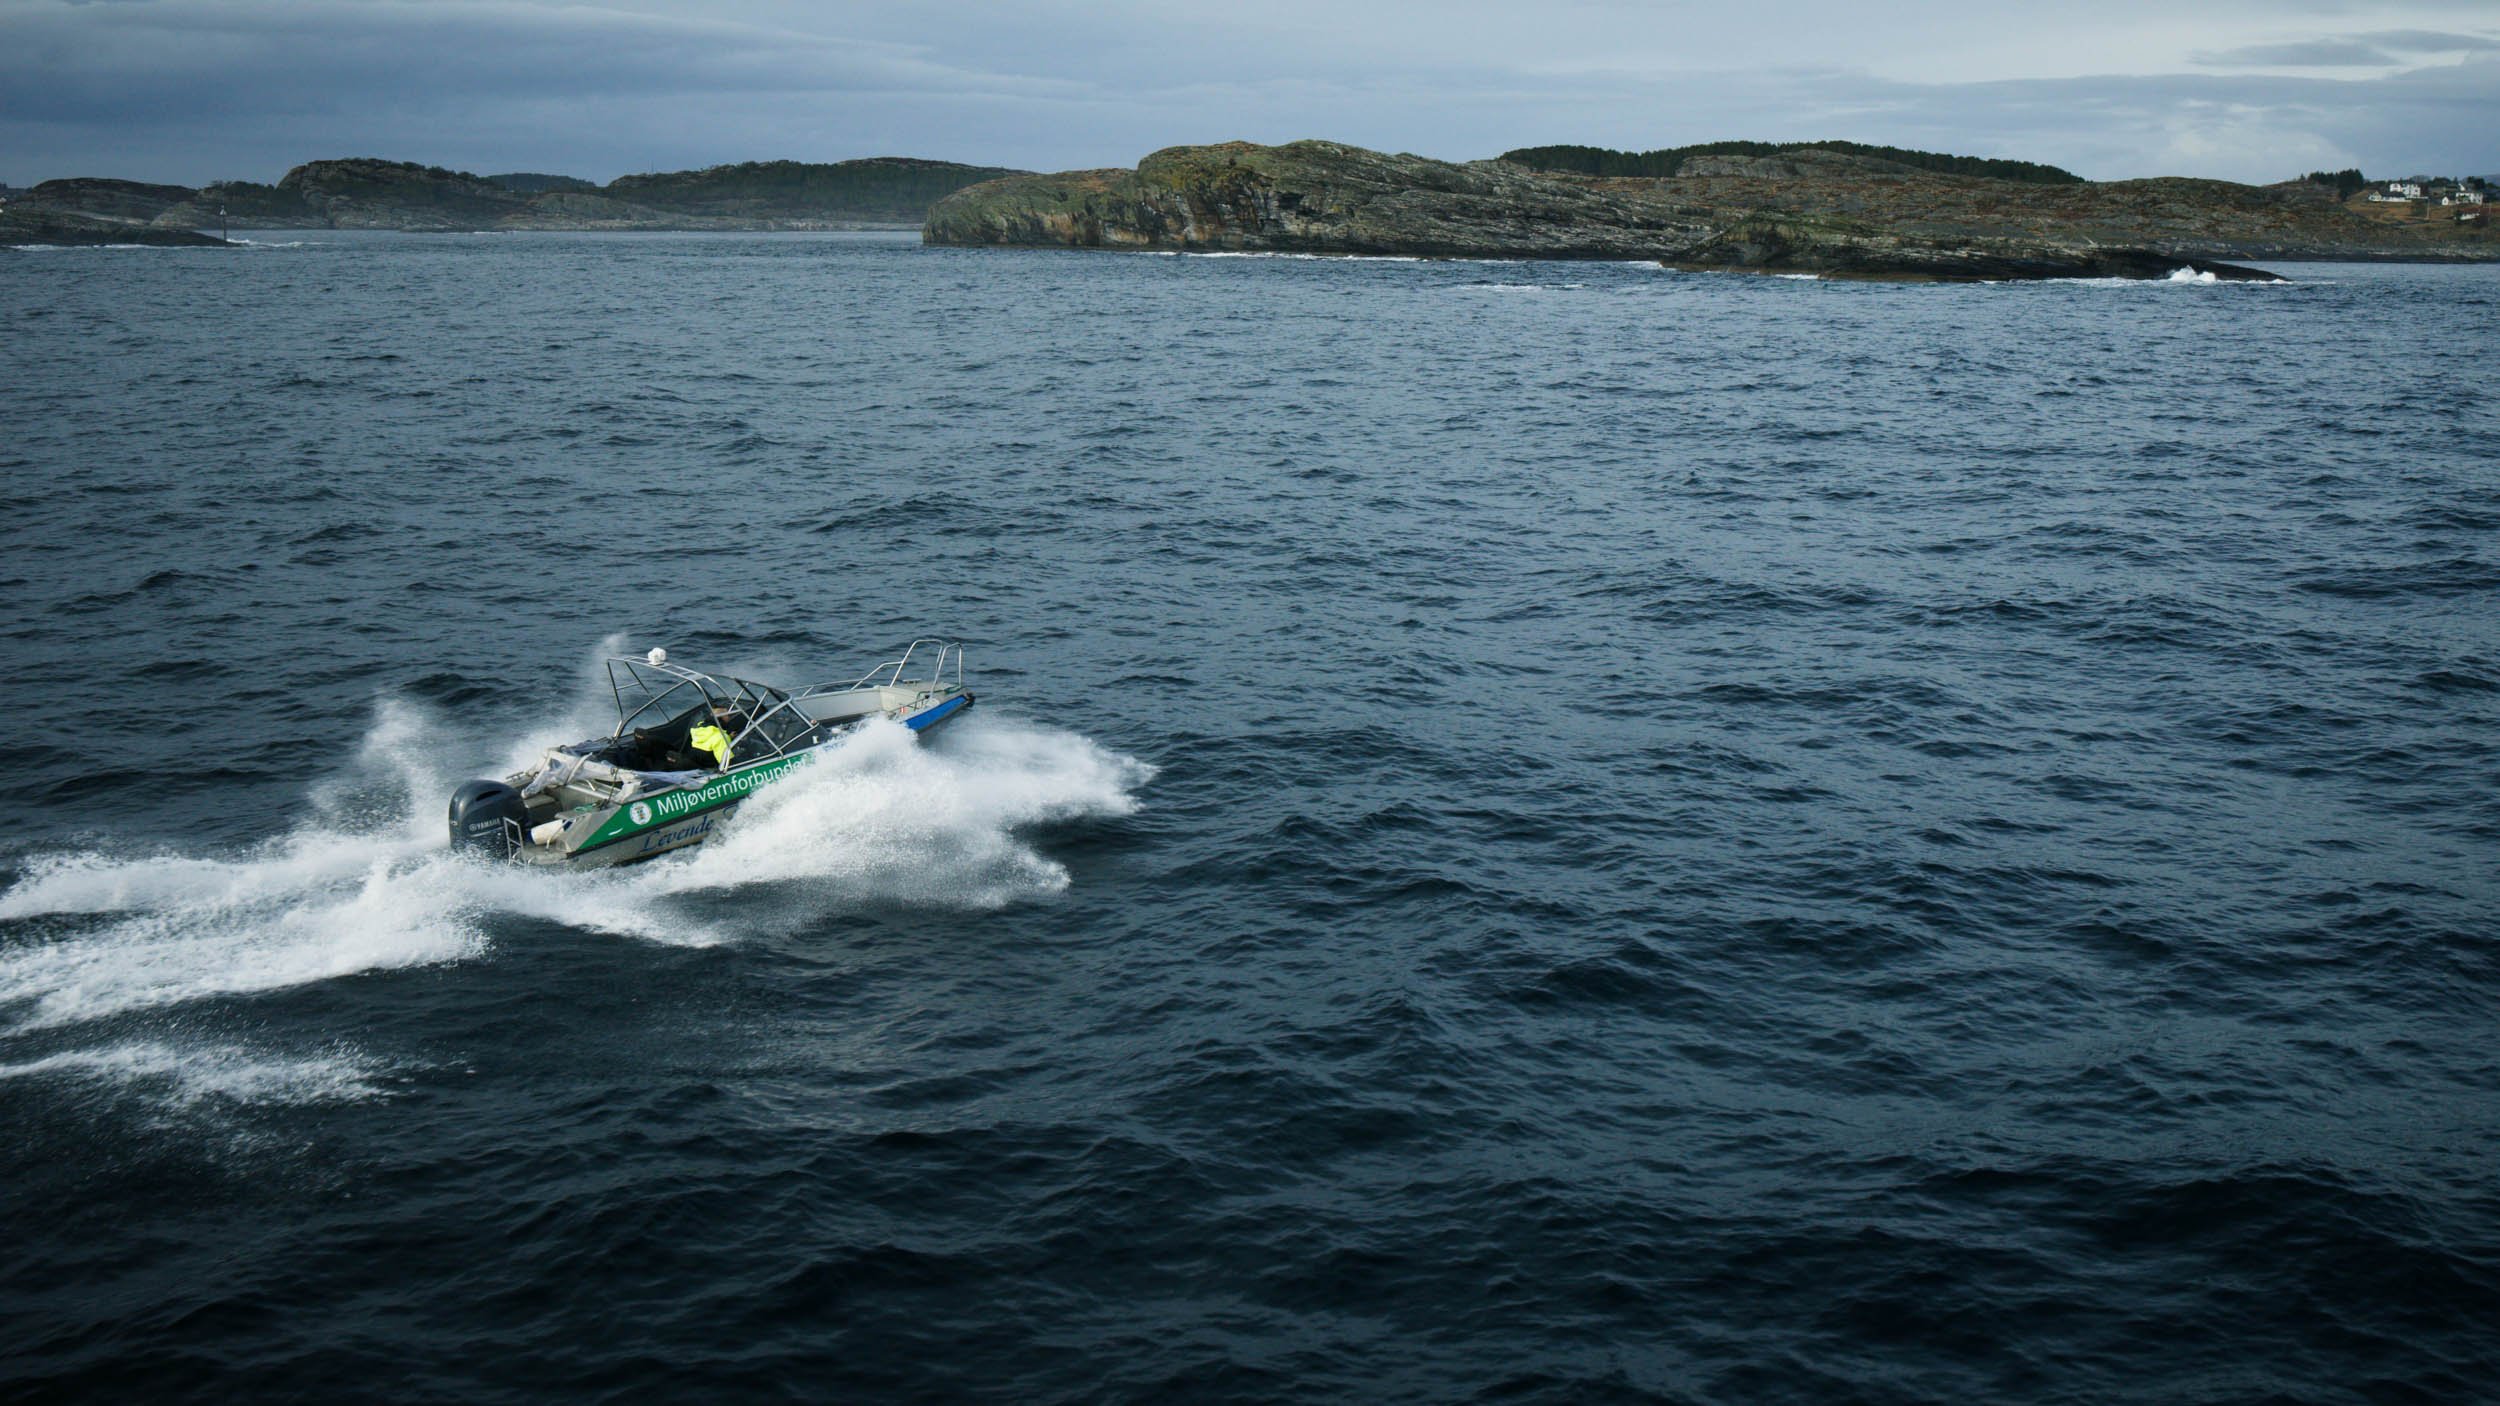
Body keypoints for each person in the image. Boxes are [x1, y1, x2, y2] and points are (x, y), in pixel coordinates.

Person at [687, 706, 739, 771]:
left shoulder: (698, 729)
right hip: (713, 770)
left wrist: (729, 737)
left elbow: (711, 740)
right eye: (727, 715)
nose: (729, 717)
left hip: (699, 766)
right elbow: (728, 763)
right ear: (720, 718)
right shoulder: (721, 738)